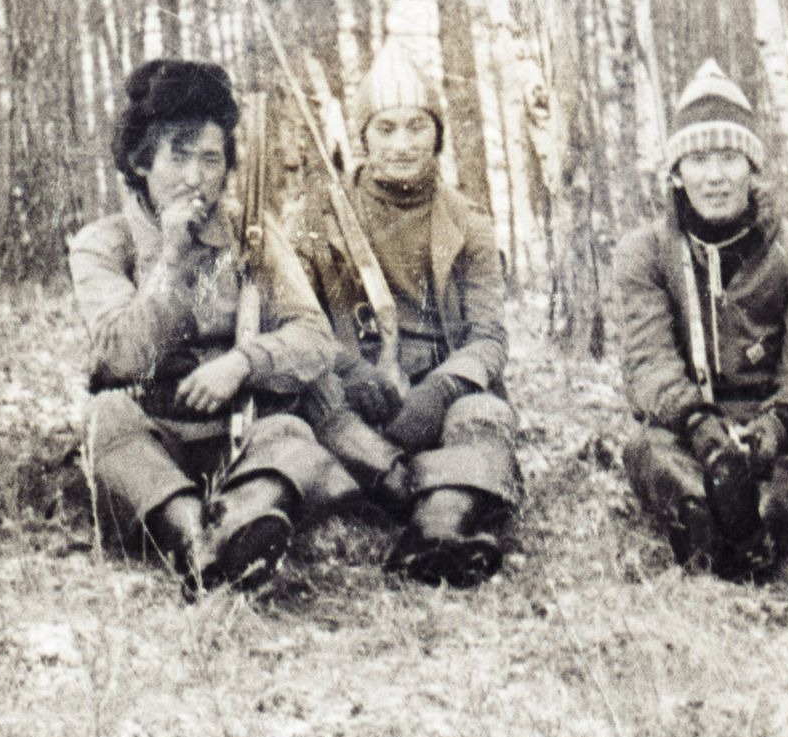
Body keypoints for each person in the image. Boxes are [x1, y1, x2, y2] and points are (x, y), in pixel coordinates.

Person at [69, 57, 347, 591]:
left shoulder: (250, 233)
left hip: (240, 429)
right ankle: (194, 540)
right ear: (142, 161)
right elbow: (122, 357)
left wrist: (242, 363)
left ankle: (245, 523)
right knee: (105, 420)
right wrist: (171, 260)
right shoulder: (102, 244)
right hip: (154, 432)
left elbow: (314, 337)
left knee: (289, 433)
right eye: (178, 156)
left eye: (211, 159)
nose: (195, 178)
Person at [293, 40, 521, 585]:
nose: (402, 144)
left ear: (437, 135)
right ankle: (415, 487)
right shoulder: (319, 216)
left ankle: (437, 528)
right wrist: (349, 369)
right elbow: (293, 322)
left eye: (417, 127)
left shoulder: (469, 222)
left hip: (440, 393)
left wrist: (441, 390)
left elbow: (488, 337)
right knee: (319, 415)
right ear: (364, 136)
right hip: (353, 394)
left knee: (485, 415)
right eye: (386, 128)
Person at [606, 63, 788, 578]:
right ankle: (699, 519)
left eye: (730, 158)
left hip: (775, 421)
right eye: (698, 160)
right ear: (676, 174)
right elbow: (649, 361)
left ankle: (766, 526)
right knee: (647, 448)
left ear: (753, 169)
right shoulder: (645, 253)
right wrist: (699, 427)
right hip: (689, 423)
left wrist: (776, 427)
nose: (715, 177)